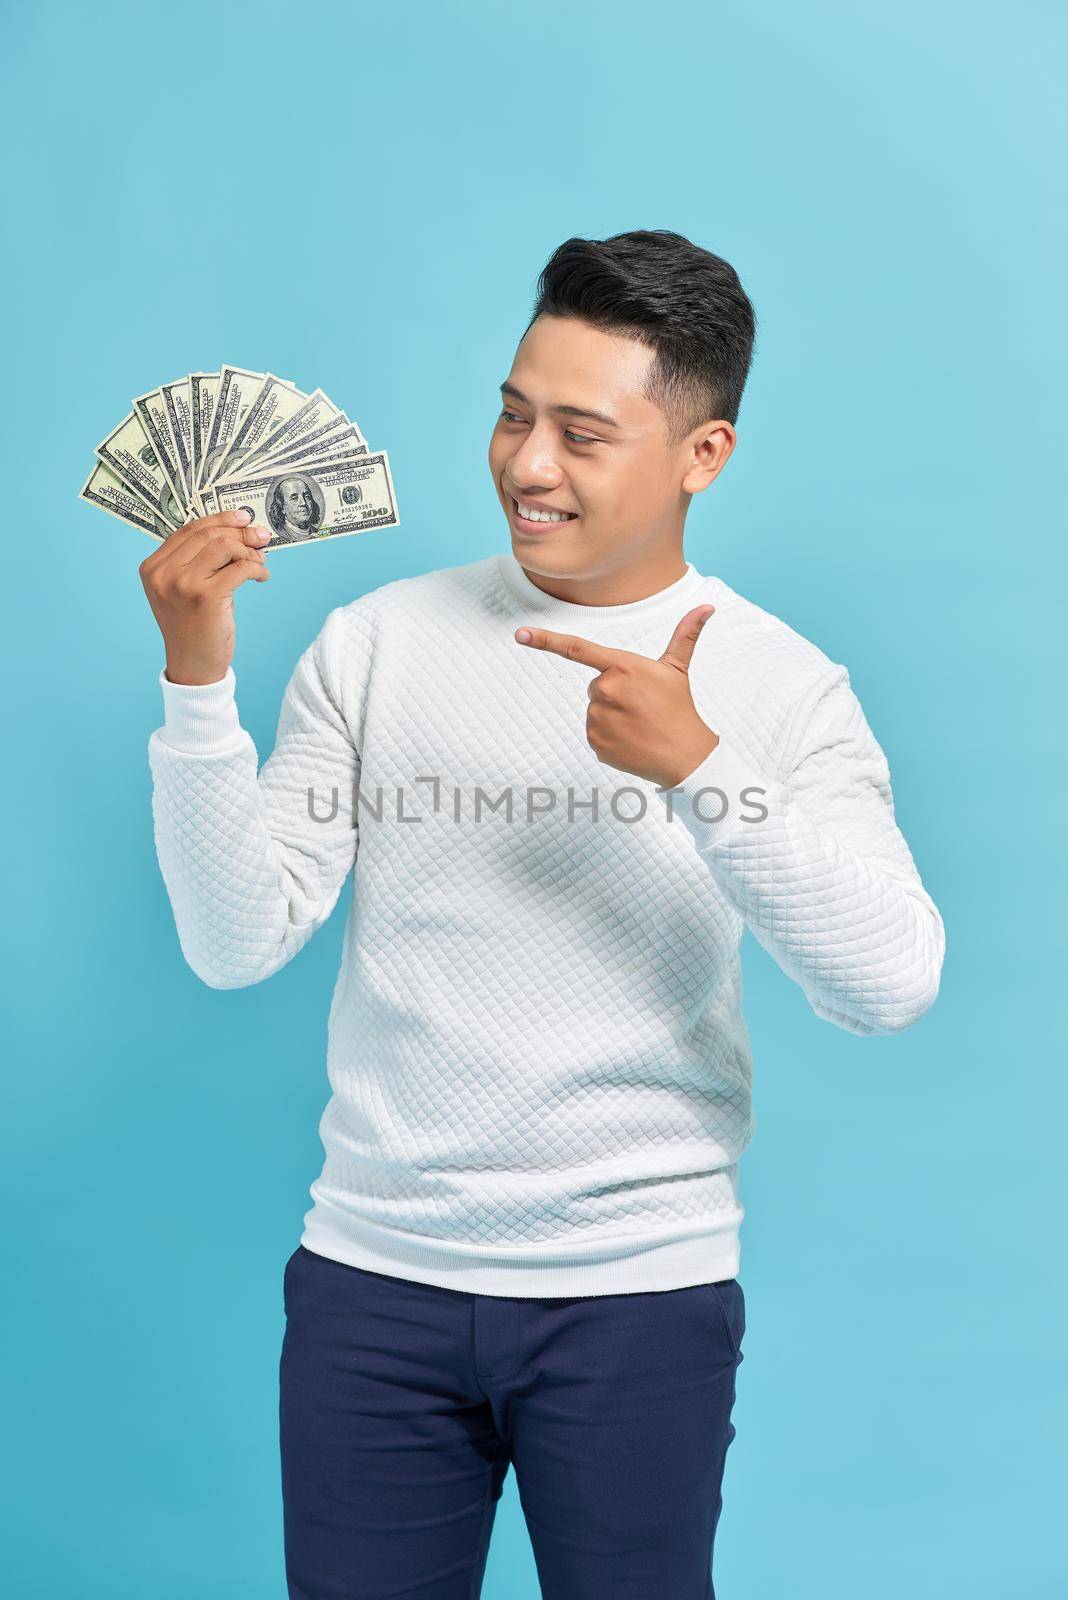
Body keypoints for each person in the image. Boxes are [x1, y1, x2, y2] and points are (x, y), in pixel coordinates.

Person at [139, 229, 945, 1600]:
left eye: (582, 432)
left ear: (704, 456)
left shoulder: (781, 685)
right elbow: (237, 941)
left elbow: (890, 981)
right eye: (514, 414)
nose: (525, 464)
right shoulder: (380, 642)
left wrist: (701, 768)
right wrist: (197, 685)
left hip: (637, 1296)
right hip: (370, 1287)